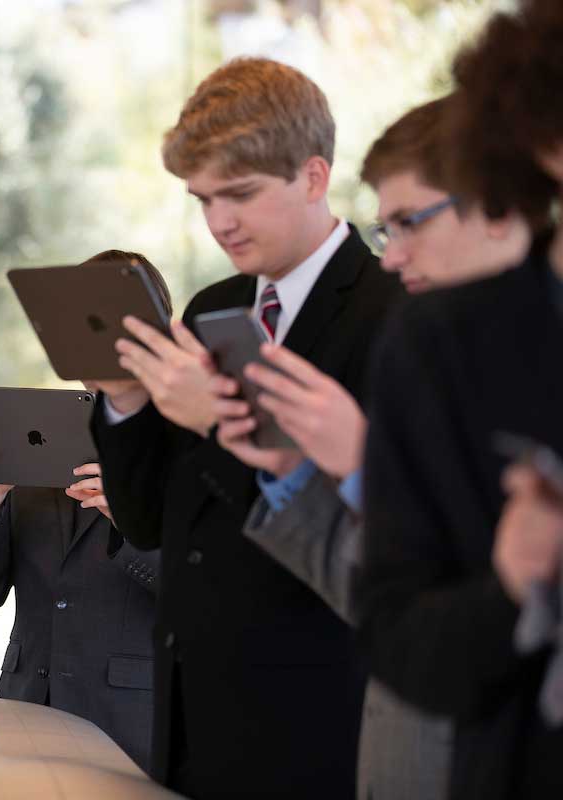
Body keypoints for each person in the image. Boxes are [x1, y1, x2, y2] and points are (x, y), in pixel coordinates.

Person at [88, 57, 403, 796]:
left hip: (319, 718)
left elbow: (376, 538)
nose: (220, 221)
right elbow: (149, 520)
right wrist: (126, 400)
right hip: (193, 711)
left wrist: (218, 421)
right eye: (202, 200)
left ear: (314, 177)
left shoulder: (393, 315)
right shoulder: (211, 305)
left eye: (240, 194)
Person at [210, 93, 538, 800]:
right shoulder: (440, 365)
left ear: (502, 205)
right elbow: (394, 606)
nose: (394, 258)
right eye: (386, 230)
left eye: (410, 223)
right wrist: (300, 468)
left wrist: (363, 461)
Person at [357, 2, 563, 797]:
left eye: (412, 222)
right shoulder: (439, 348)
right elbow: (402, 644)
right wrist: (514, 577)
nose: (397, 255)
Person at [0, 250, 168, 772]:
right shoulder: (38, 430)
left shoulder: (189, 442)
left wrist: (127, 520)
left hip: (132, 722)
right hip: (26, 716)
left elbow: (210, 596)